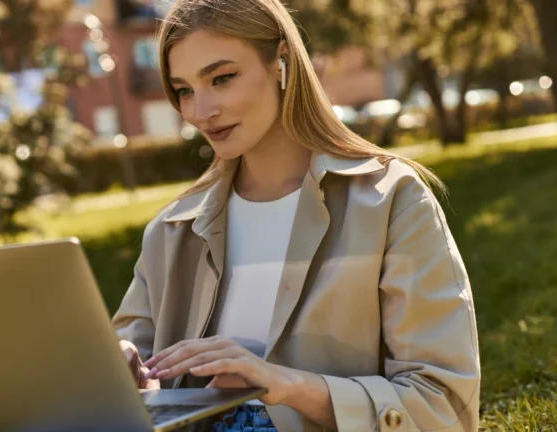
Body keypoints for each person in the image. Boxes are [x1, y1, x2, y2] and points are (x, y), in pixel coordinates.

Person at [113, 0, 481, 430]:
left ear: (282, 63)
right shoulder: (171, 231)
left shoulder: (389, 200)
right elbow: (117, 387)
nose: (199, 111)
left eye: (222, 78)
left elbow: (442, 406)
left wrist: (285, 385)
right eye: (184, 90)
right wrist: (118, 370)